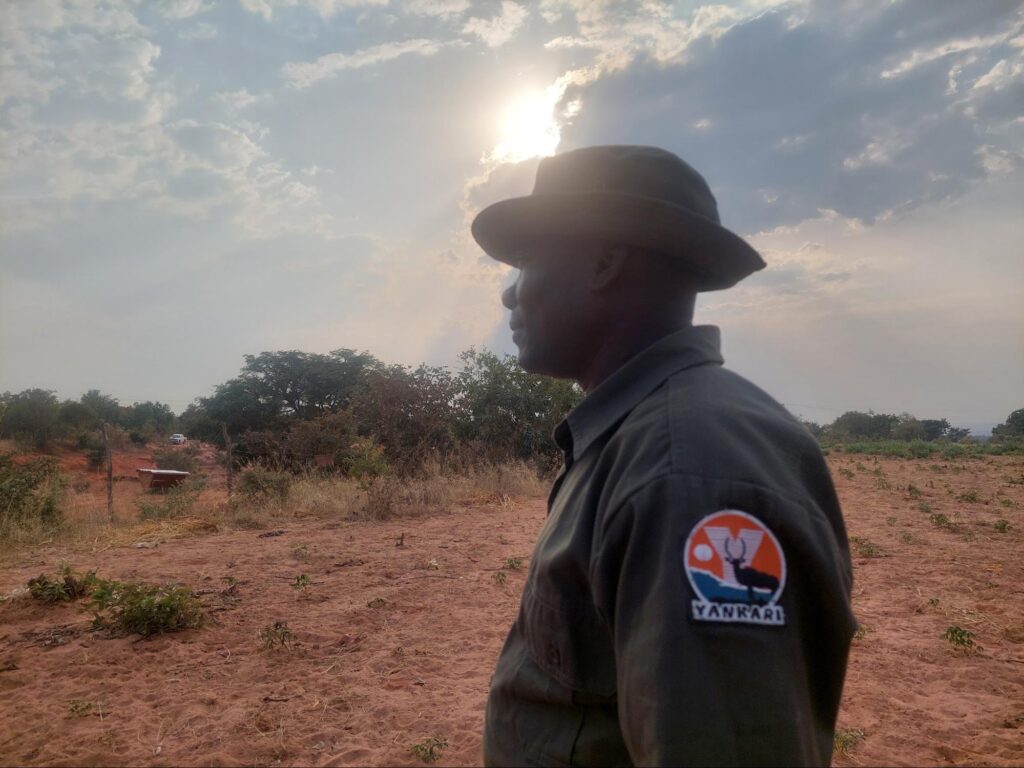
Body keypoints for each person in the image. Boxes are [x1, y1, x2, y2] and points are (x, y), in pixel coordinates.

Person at [470, 145, 855, 766]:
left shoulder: (687, 468)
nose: (511, 297)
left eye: (526, 262)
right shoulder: (638, 435)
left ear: (602, 262)